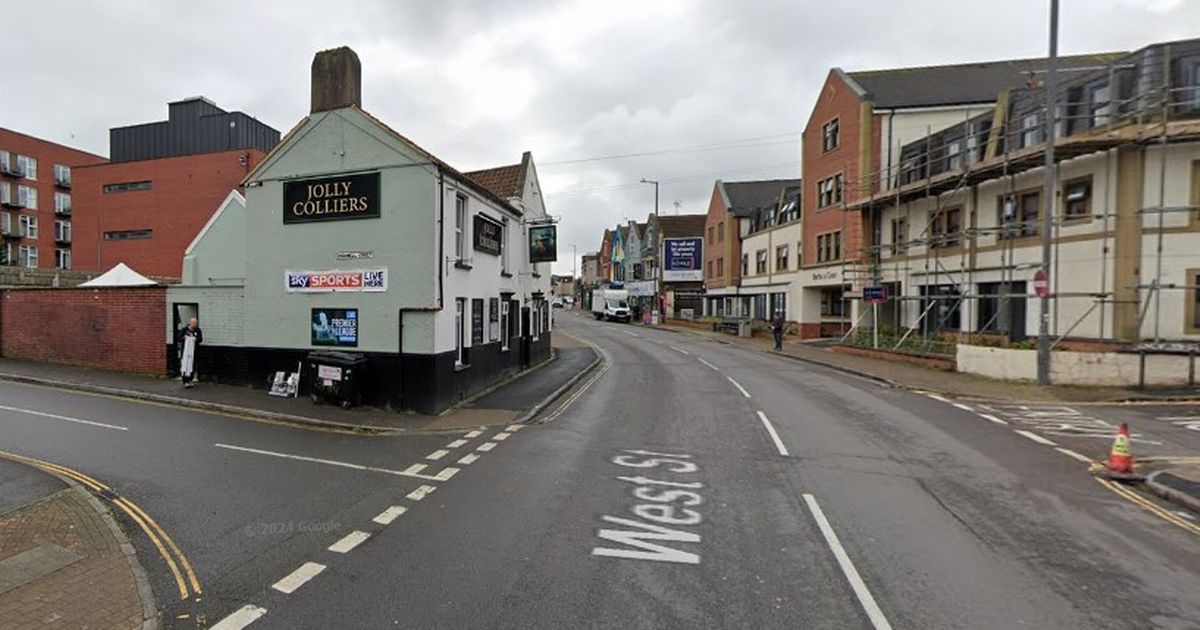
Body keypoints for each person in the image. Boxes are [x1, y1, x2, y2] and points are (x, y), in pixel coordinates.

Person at [176, 317, 203, 388]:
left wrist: (196, 339)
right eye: (194, 323)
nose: (195, 324)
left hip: (194, 351)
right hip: (186, 351)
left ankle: (190, 379)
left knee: (193, 365)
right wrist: (184, 338)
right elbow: (179, 338)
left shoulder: (198, 330)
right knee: (185, 365)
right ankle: (185, 381)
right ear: (190, 323)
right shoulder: (184, 330)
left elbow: (200, 339)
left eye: (196, 323)